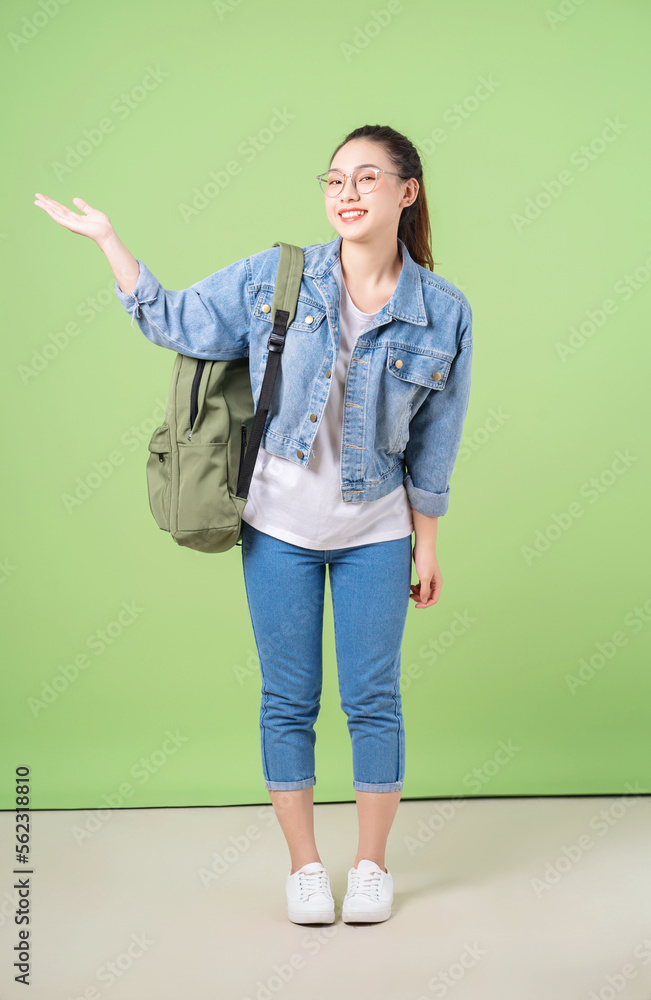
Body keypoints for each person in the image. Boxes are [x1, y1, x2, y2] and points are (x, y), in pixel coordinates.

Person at [33, 123, 473, 926]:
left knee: (373, 699)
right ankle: (305, 868)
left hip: (378, 530)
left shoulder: (442, 310)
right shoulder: (280, 278)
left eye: (366, 178)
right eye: (334, 178)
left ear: (406, 192)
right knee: (287, 699)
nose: (345, 192)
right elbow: (172, 321)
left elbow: (436, 443)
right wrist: (109, 242)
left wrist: (428, 541)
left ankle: (370, 867)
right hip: (277, 528)